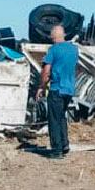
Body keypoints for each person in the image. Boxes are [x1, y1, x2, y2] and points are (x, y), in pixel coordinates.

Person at [35, 25, 78, 159]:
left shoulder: (53, 50)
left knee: (53, 119)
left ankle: (56, 150)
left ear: (53, 36)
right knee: (61, 117)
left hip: (56, 88)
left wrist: (41, 87)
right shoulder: (74, 50)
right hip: (69, 89)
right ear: (64, 35)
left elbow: (46, 71)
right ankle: (65, 145)